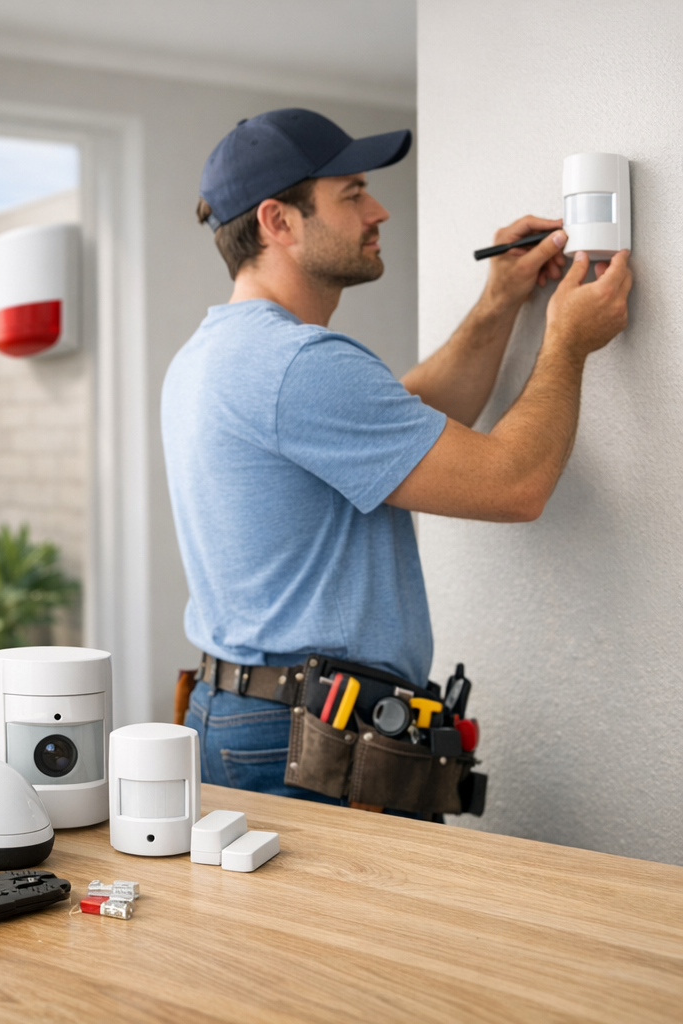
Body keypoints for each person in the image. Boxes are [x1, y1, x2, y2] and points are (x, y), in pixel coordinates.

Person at [161, 108, 632, 808]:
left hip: (256, 716)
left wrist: (500, 302)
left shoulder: (217, 354)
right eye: (352, 194)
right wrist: (567, 342)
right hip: (304, 737)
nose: (378, 211)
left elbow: (406, 427)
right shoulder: (295, 363)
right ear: (277, 221)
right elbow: (515, 484)